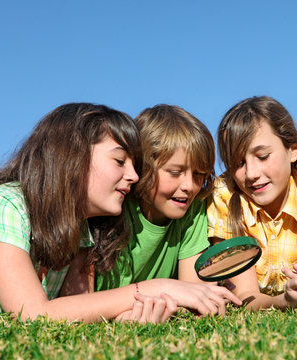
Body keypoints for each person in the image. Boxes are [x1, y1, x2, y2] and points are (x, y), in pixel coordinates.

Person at [0, 103, 177, 323]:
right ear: (72, 155)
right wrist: (157, 287)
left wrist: (128, 319)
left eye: (134, 166)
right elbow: (31, 314)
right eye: (119, 161)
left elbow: (79, 312)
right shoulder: (4, 204)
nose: (134, 176)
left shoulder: (82, 230)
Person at [94, 105, 241, 316]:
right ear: (142, 168)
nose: (189, 186)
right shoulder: (117, 208)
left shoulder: (193, 207)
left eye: (199, 174)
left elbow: (193, 291)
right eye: (174, 172)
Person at [208, 96, 297, 310]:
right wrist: (285, 302)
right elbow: (244, 295)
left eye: (262, 156)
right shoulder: (224, 195)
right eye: (238, 163)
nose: (251, 174)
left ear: (293, 150)